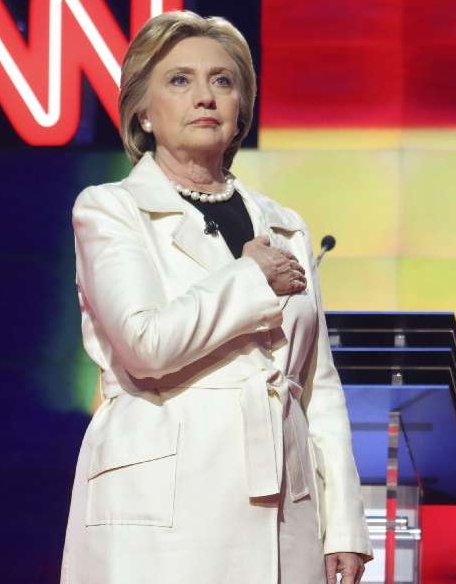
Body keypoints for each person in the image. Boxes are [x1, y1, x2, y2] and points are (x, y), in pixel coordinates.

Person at [60, 10, 372, 584]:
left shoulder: (285, 226)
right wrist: (249, 279)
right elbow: (145, 344)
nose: (204, 96)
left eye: (222, 81)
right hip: (162, 513)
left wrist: (345, 524)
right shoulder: (109, 209)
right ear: (143, 112)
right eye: (179, 80)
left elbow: (317, 385)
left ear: (240, 111)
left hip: (285, 515)